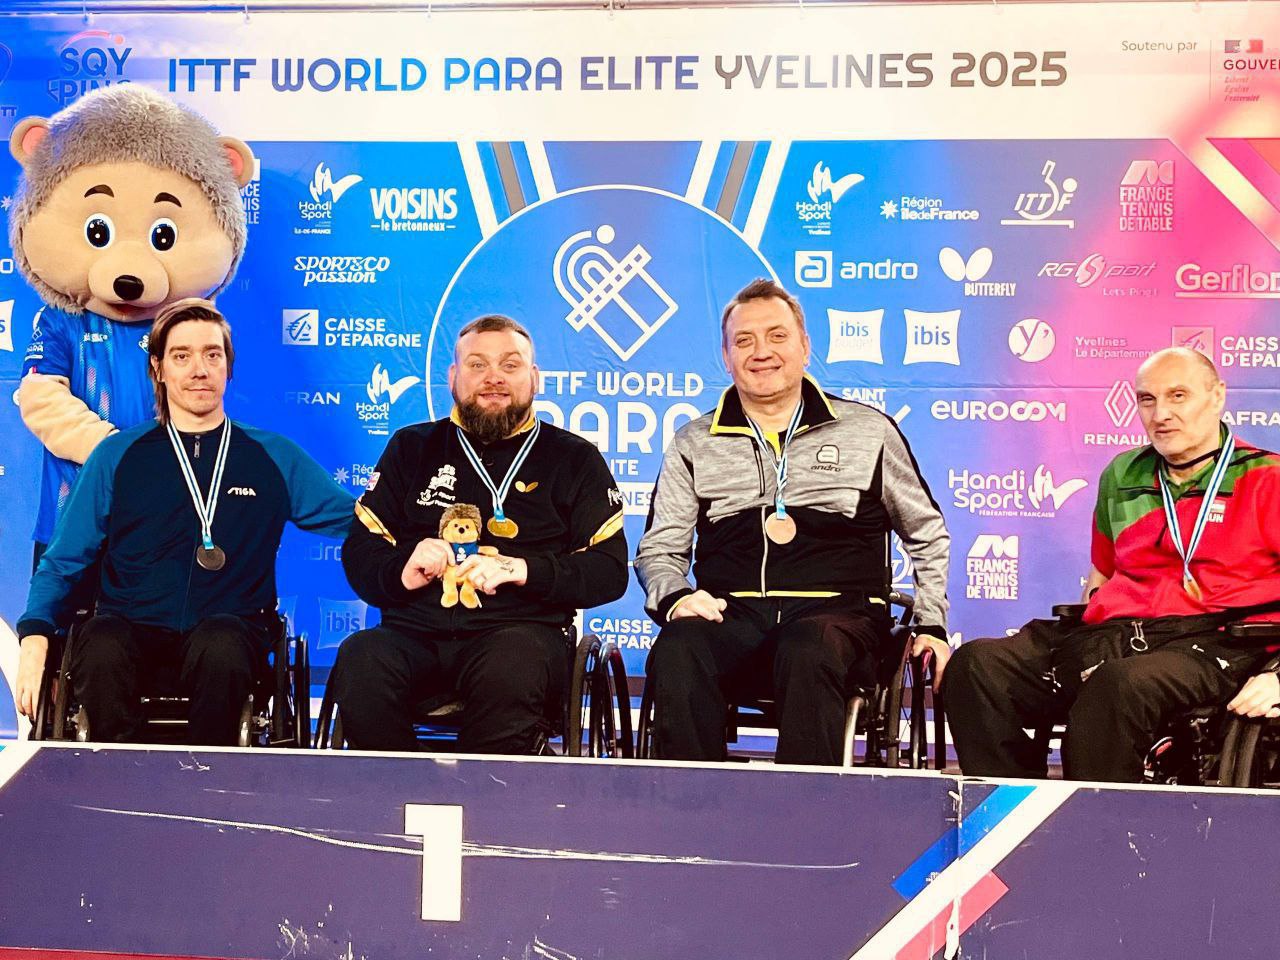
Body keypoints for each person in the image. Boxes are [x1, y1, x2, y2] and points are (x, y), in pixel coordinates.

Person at [634, 278, 951, 765]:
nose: (761, 351)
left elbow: (926, 533)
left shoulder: (869, 431)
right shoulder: (693, 441)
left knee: (809, 645)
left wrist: (931, 623)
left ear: (805, 346)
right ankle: (691, 803)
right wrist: (676, 598)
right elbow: (659, 549)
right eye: (744, 340)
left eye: (777, 336)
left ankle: (802, 807)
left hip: (839, 621)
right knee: (679, 647)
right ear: (725, 357)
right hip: (733, 616)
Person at [13, 299, 353, 744]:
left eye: (212, 355)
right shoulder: (117, 455)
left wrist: (421, 517)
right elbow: (63, 560)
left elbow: (361, 521)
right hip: (129, 628)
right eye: (181, 356)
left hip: (230, 631)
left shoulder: (272, 456)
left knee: (221, 643)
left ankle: (208, 778)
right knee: (100, 645)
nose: (199, 370)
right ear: (158, 368)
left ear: (228, 367)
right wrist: (35, 635)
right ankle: (118, 775)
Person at [943, 347, 1280, 782]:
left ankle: (1093, 822)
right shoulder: (1123, 473)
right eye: (1147, 399)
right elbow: (1103, 573)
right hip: (1121, 634)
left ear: (1217, 395)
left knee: (1118, 684)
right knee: (977, 665)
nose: (1161, 414)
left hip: (1215, 641)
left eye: (1178, 396)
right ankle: (1009, 807)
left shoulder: (1266, 477)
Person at [334, 314, 628, 753]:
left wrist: (523, 570)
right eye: (477, 365)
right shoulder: (411, 447)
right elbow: (361, 551)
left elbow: (609, 570)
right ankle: (399, 790)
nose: (494, 378)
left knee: (511, 663)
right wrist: (402, 571)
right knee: (361, 657)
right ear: (453, 377)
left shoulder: (574, 458)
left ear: (535, 377)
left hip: (520, 636)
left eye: (510, 365)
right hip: (415, 636)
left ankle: (485, 795)